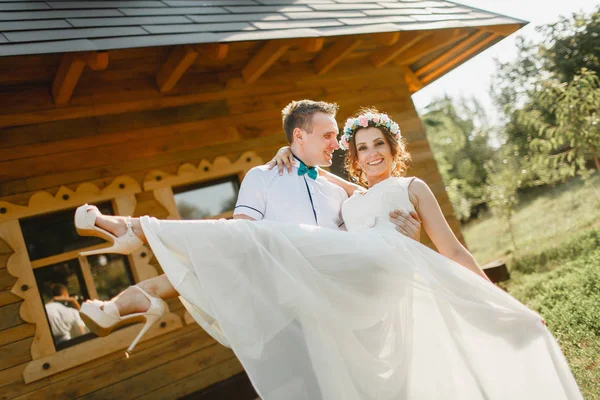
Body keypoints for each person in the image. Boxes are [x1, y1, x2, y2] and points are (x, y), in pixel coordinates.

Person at [74, 108, 582, 400]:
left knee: (265, 238)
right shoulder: (352, 195)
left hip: (384, 265)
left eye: (378, 143)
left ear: (393, 147)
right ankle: (145, 292)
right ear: (355, 159)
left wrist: (499, 300)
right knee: (261, 244)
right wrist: (290, 158)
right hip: (351, 279)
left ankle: (137, 230)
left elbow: (452, 248)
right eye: (360, 147)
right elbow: (323, 176)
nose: (370, 153)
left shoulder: (412, 186)